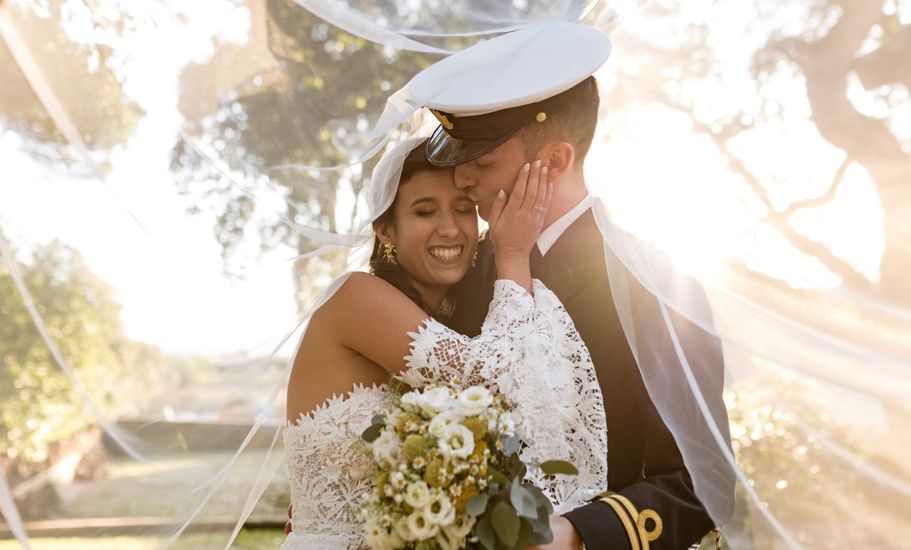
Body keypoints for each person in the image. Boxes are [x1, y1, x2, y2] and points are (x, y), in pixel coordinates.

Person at [409, 23, 735, 549]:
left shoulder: (656, 287)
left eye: (483, 161)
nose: (460, 179)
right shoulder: (457, 268)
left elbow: (702, 483)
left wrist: (578, 533)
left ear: (555, 160)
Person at [282, 136, 609, 549]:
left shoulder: (455, 320)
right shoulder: (354, 297)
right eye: (424, 211)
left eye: (463, 209)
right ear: (386, 230)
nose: (450, 228)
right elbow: (496, 382)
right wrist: (512, 253)